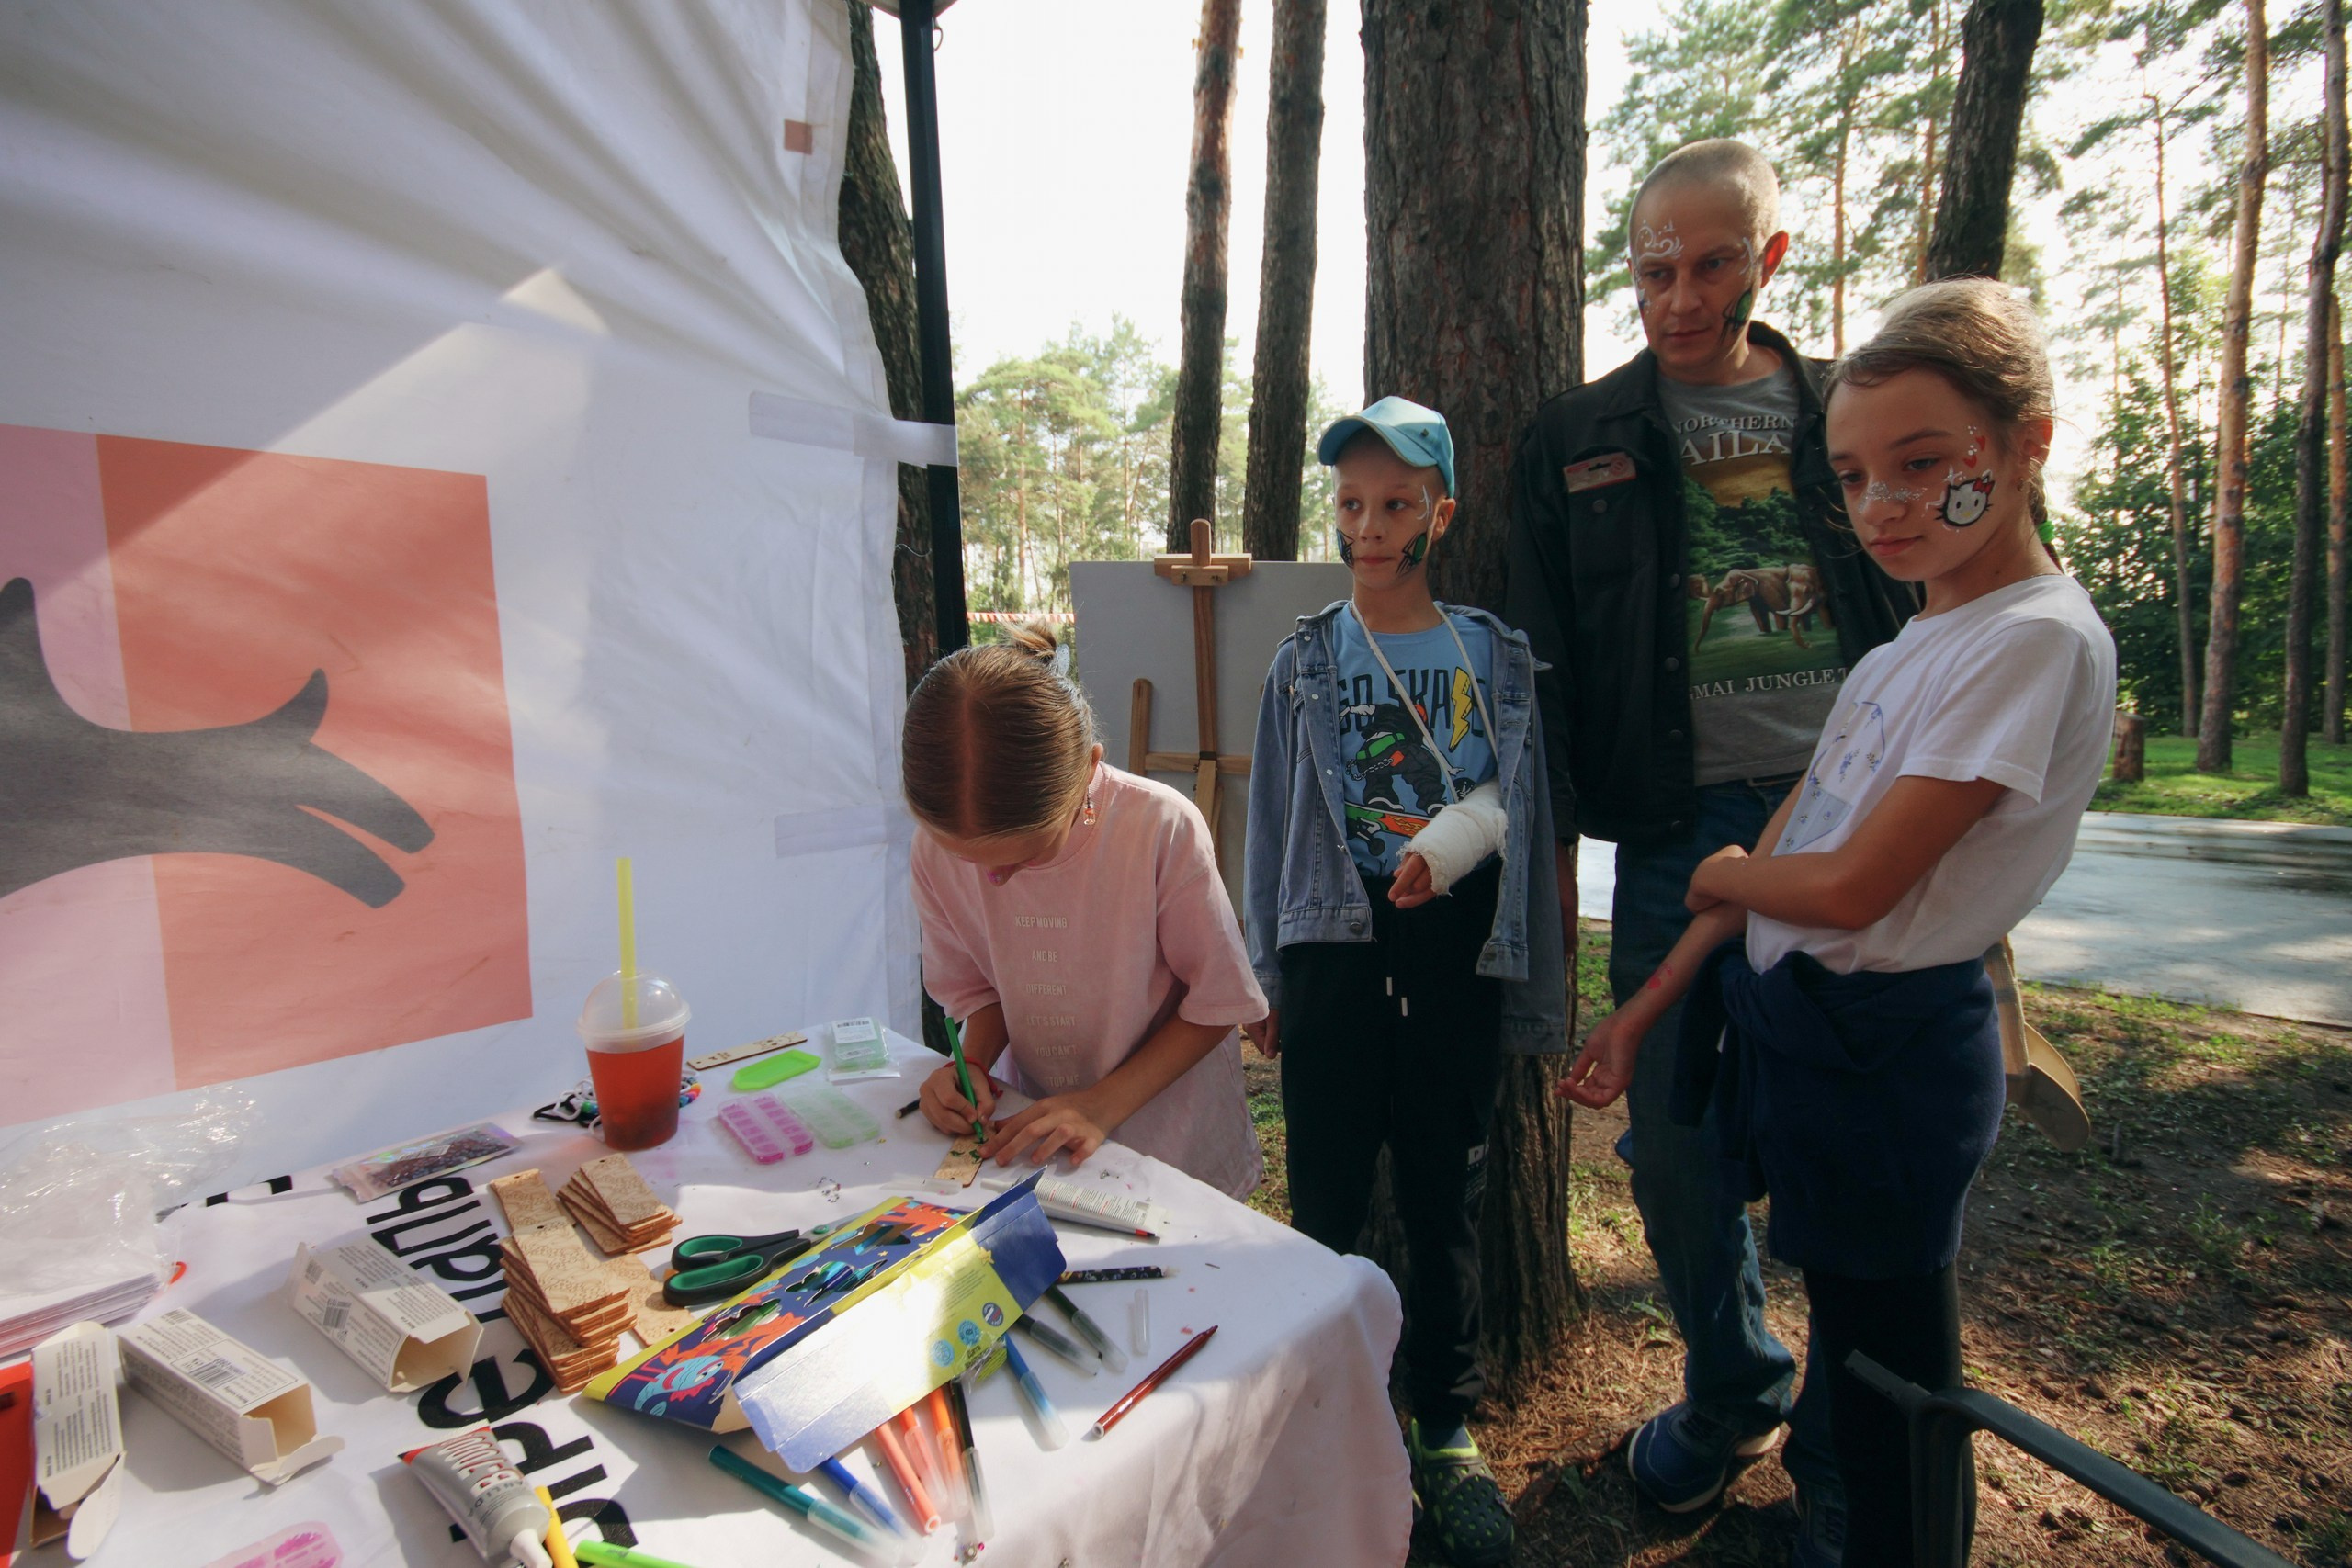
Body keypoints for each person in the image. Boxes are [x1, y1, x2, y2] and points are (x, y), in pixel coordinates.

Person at [1559, 278, 2117, 1565]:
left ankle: (1896, 1543)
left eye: (1925, 465)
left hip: (1892, 1048)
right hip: (1810, 1030)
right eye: (1857, 477)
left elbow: (1848, 885)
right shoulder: (1902, 649)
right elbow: (1782, 855)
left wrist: (1724, 881)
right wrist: (1648, 1003)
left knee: (1893, 1367)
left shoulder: (2032, 640)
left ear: (2026, 440)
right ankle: (1849, 1519)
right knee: (1857, 1333)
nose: (1885, 508)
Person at [1505, 139, 1917, 1557]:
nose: (1679, 296)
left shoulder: (1853, 412)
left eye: (1713, 263)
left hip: (1865, 813)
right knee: (1674, 1134)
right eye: (1652, 267)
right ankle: (1736, 1386)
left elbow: (1939, 595)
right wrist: (1553, 857)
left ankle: (1861, 1443)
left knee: (1867, 1122)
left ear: (1771, 259)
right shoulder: (1574, 438)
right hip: (1681, 832)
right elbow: (1543, 671)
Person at [1244, 397, 1567, 1568]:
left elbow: (1517, 807)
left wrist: (1453, 851)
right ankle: (1323, 1402)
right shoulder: (1304, 658)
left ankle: (1444, 1429)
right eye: (1349, 506)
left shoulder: (1493, 656)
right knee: (1324, 1200)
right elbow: (1272, 820)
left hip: (1452, 956)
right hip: (1334, 948)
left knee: (1445, 1197)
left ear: (1441, 510)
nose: (1369, 529)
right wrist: (1267, 969)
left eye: (1394, 506)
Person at [903, 620, 1266, 1200]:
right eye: (964, 856)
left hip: (1174, 1141)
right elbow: (984, 992)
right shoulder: (935, 847)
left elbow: (1219, 1000)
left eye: (1025, 855)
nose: (993, 879)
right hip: (1047, 1136)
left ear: (1089, 770)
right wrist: (970, 1066)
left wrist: (1100, 1106)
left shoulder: (1157, 827)